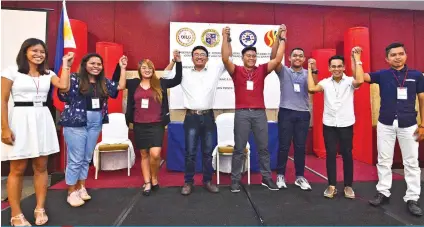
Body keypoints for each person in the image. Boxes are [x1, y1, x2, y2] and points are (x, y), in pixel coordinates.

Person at [1, 38, 72, 226]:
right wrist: (4, 127)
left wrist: (66, 65)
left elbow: (64, 86)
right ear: (25, 52)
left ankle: (40, 207)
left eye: (42, 52)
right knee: (17, 169)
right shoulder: (11, 71)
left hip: (42, 118)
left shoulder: (47, 73)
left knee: (41, 167)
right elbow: (3, 100)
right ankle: (15, 213)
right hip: (20, 119)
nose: (39, 55)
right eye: (34, 51)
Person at [221, 25, 286, 192]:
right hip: (242, 114)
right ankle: (235, 180)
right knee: (239, 149)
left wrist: (281, 37)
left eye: (254, 56)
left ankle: (266, 178)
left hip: (259, 114)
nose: (251, 58)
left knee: (264, 148)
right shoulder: (236, 71)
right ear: (243, 57)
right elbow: (225, 58)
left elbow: (278, 59)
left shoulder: (262, 70)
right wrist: (225, 37)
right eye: (248, 55)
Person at [58, 53, 127, 207]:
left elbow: (120, 86)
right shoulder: (74, 79)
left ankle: (81, 186)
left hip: (95, 123)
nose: (96, 66)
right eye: (92, 63)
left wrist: (122, 68)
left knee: (86, 158)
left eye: (99, 64)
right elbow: (63, 90)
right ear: (84, 64)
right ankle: (71, 191)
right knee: (75, 159)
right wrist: (66, 66)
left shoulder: (103, 82)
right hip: (76, 123)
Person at [364, 43, 424, 216]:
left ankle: (412, 197)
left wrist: (423, 125)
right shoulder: (382, 75)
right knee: (384, 159)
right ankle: (383, 191)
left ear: (406, 55)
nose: (397, 57)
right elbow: (360, 78)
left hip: (409, 124)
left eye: (400, 54)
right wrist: (357, 59)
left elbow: (422, 99)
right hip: (386, 123)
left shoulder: (416, 75)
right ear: (387, 59)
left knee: (411, 162)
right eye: (393, 55)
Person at [164, 45, 231, 195]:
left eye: (202, 54)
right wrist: (174, 61)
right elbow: (165, 77)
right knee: (190, 153)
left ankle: (207, 181)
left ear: (207, 58)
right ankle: (188, 182)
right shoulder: (184, 73)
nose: (199, 56)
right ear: (192, 57)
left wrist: (227, 40)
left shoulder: (215, 70)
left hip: (208, 117)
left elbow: (228, 58)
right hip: (191, 118)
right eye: (196, 54)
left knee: (207, 152)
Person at [307, 48, 364, 199]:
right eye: (333, 66)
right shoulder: (325, 83)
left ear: (344, 67)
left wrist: (357, 58)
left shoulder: (350, 81)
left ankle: (348, 186)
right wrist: (309, 69)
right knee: (331, 154)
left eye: (339, 66)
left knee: (347, 154)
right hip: (329, 125)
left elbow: (360, 80)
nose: (336, 69)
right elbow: (311, 88)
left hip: (346, 124)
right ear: (329, 68)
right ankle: (331, 185)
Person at [123, 51, 182, 196]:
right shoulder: (133, 84)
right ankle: (148, 182)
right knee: (144, 154)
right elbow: (119, 83)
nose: (147, 70)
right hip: (139, 124)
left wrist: (177, 62)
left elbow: (177, 79)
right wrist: (122, 67)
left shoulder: (160, 82)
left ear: (153, 70)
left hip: (157, 124)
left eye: (149, 67)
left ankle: (154, 176)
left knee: (155, 154)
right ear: (139, 70)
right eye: (144, 67)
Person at [270, 41, 318, 190]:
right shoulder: (283, 71)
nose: (297, 58)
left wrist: (314, 69)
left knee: (300, 147)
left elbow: (314, 89)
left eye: (300, 56)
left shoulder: (308, 73)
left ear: (304, 59)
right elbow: (273, 57)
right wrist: (280, 39)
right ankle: (280, 175)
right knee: (284, 146)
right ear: (289, 58)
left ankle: (300, 177)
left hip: (303, 114)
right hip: (286, 112)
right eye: (295, 55)